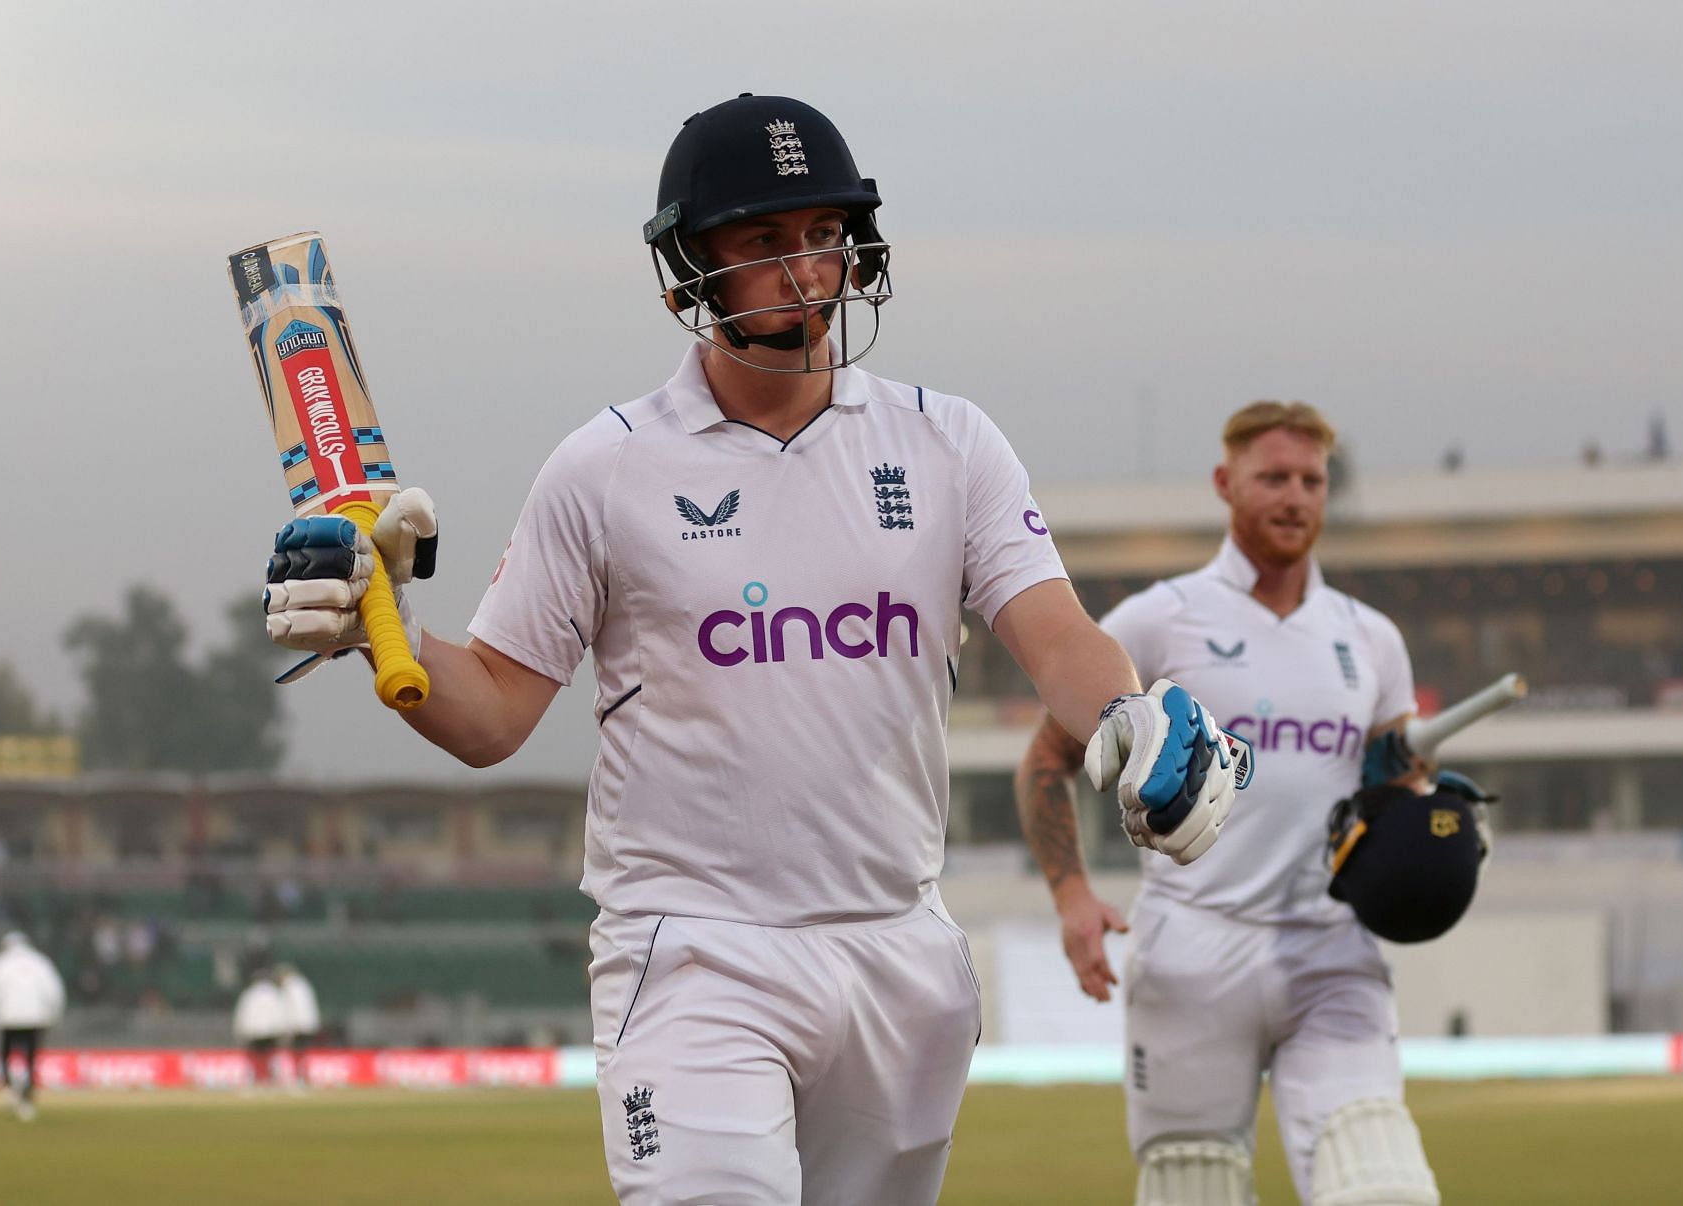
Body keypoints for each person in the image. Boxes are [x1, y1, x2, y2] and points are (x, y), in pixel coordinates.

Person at [258, 93, 1247, 1204]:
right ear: (689, 269)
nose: (805, 269)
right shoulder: (606, 468)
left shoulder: (948, 442)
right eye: (764, 241)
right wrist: (373, 627)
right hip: (692, 952)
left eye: (824, 235)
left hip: (897, 953)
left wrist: (1127, 708)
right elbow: (491, 712)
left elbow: (1054, 632)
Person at [1016, 401, 1448, 1205]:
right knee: (1192, 1187)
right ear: (1226, 483)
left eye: (1312, 481)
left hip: (1332, 951)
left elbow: (1393, 785)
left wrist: (1429, 822)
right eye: (1274, 477)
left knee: (1383, 1187)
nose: (1295, 496)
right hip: (1191, 953)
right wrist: (1071, 894)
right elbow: (1047, 758)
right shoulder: (1158, 619)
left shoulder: (1371, 638)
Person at [0, 930, 64, 1121]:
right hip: (35, 1018)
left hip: (7, 1018)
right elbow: (54, 991)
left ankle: (8, 1088)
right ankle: (26, 1095)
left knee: (5, 1054)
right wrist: (52, 1014)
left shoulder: (0, 962)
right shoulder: (41, 962)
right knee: (31, 1058)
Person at [233, 966, 287, 1092]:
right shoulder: (274, 993)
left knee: (254, 1056)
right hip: (272, 1030)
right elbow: (281, 1013)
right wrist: (283, 1030)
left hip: (254, 1030)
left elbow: (242, 1013)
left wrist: (240, 1031)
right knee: (272, 1056)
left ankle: (253, 1080)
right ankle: (273, 1079)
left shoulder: (249, 993)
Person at [274, 963, 321, 1090]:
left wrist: (288, 1029)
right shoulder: (303, 984)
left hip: (298, 1025)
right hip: (308, 1024)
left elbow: (291, 1009)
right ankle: (303, 1078)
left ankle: (298, 1078)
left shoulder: (289, 987)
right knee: (302, 1053)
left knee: (296, 1053)